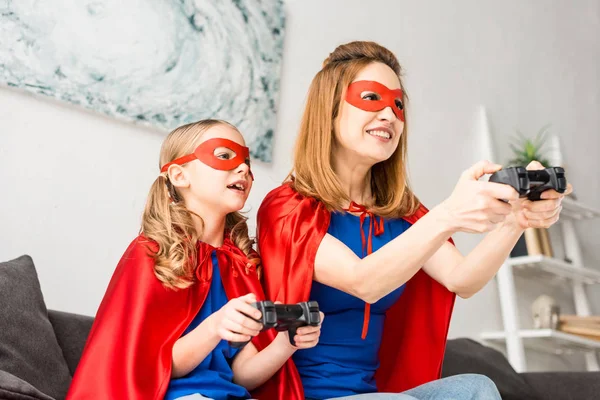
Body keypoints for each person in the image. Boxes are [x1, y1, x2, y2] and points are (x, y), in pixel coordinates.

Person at [253, 41, 570, 400]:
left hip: (375, 395)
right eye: (372, 98)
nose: (389, 115)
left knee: (477, 388)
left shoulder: (401, 214)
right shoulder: (286, 208)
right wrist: (448, 215)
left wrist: (518, 219)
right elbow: (363, 281)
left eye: (398, 104)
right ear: (329, 109)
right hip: (306, 395)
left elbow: (462, 280)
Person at [66, 119, 322, 400]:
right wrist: (215, 326)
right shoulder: (152, 253)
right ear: (178, 175)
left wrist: (286, 343)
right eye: (224, 155)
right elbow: (151, 367)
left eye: (246, 161)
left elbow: (239, 375)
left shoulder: (240, 265)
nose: (244, 168)